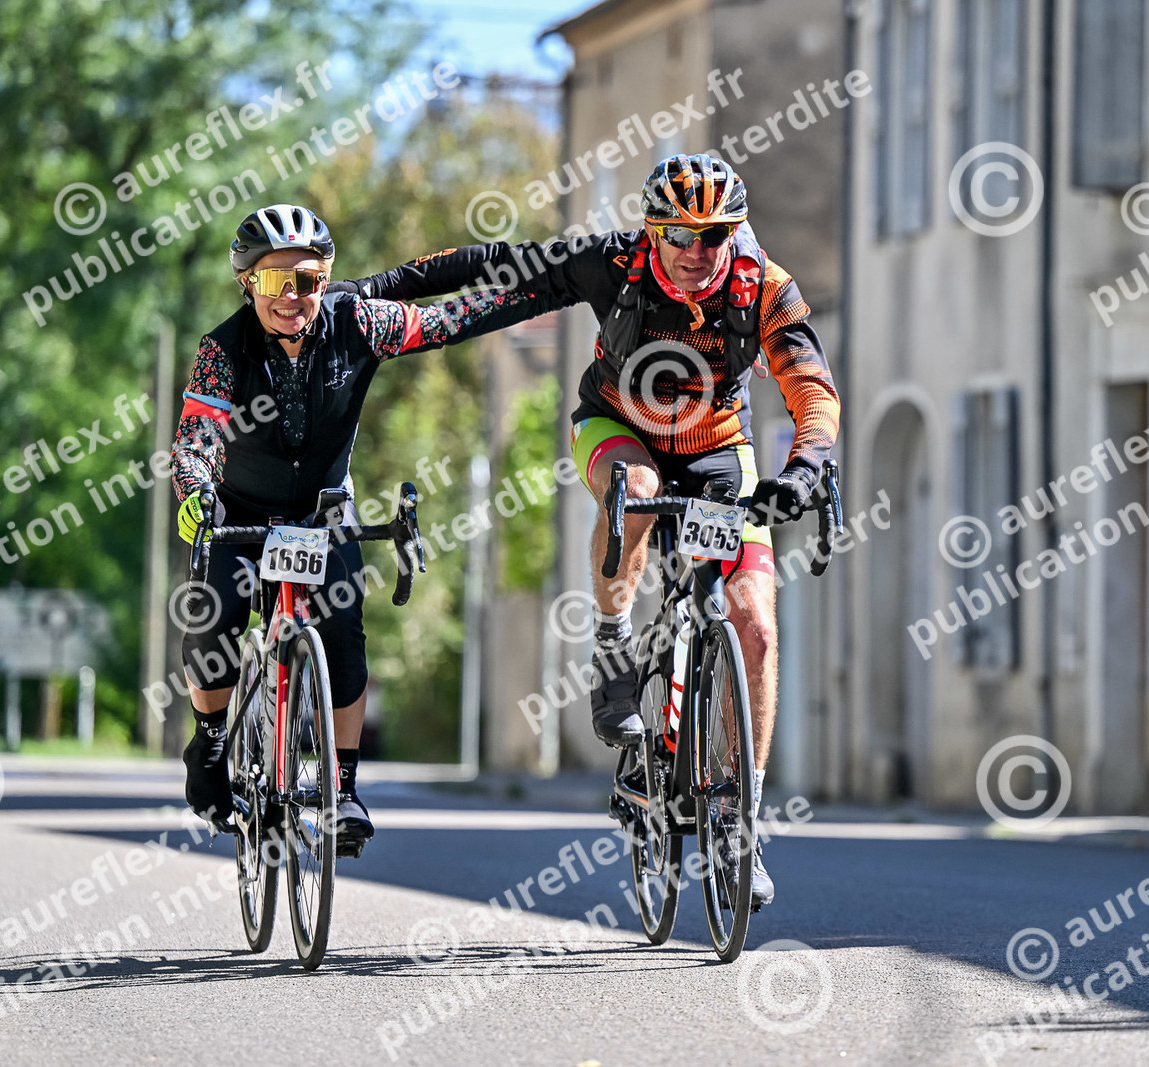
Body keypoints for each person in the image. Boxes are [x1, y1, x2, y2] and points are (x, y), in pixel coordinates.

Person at [351, 154, 841, 905]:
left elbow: (813, 389)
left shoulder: (764, 286)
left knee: (756, 627)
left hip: (718, 449)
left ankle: (739, 818)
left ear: (734, 233)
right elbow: (493, 266)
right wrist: (367, 293)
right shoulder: (610, 264)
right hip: (617, 429)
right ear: (654, 230)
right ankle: (613, 642)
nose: (697, 250)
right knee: (636, 491)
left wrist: (805, 468)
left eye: (714, 234)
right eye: (680, 234)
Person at [171, 203, 535, 853]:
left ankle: (342, 788)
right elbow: (197, 436)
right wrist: (195, 489)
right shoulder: (221, 350)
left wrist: (553, 287)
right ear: (247, 283)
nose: (292, 296)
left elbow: (450, 320)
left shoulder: (359, 321)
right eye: (274, 281)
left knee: (342, 630)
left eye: (308, 280)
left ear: (326, 281)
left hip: (321, 513)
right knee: (214, 611)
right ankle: (211, 741)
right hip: (241, 513)